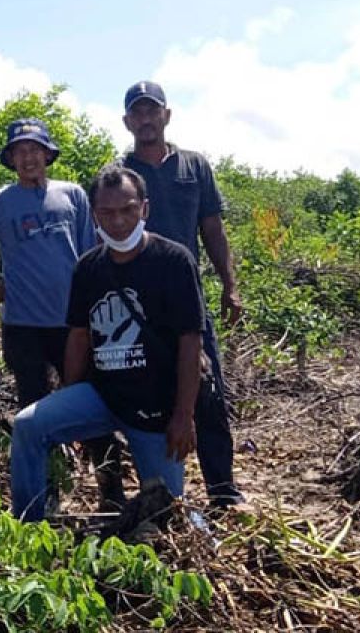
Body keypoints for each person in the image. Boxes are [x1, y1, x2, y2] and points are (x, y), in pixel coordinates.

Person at [10, 166, 203, 521]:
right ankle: (27, 523)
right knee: (28, 425)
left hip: (155, 410)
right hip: (103, 395)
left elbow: (190, 343)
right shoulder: (88, 268)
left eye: (128, 210)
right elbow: (79, 336)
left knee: (169, 513)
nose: (118, 221)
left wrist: (183, 415)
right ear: (94, 214)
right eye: (107, 213)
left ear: (144, 209)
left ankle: (192, 529)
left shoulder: (174, 261)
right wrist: (69, 396)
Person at [120, 80, 244, 507]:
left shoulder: (194, 166)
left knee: (208, 394)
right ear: (127, 122)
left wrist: (230, 286)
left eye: (152, 110)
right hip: (137, 309)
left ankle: (223, 491)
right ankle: (157, 492)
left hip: (189, 303)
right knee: (144, 396)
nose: (146, 118)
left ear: (167, 116)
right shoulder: (121, 175)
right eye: (138, 112)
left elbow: (212, 228)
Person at [0, 118, 96, 408]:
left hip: (71, 322)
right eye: (19, 151)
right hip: (23, 325)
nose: (28, 158)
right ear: (11, 159)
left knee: (84, 397)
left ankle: (98, 454)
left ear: (47, 154)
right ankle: (40, 455)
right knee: (33, 406)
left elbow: (91, 256)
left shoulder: (73, 195)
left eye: (34, 149)